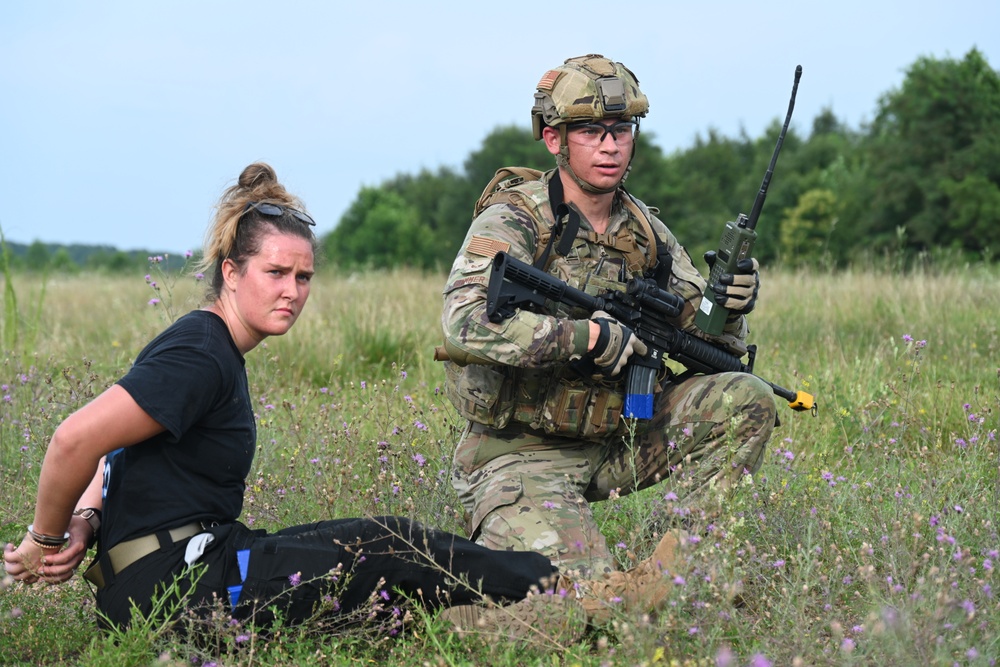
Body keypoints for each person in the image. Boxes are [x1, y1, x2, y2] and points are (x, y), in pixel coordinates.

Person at [2, 162, 678, 641]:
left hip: (193, 566)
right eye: (275, 273)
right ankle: (583, 595)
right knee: (383, 547)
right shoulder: (200, 351)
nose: (293, 290)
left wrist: (89, 519)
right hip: (177, 587)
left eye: (303, 276)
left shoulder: (203, 345)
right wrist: (44, 538)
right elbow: (73, 439)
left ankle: (531, 608)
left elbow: (115, 444)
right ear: (231, 272)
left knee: (383, 560)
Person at [441, 54, 778, 578]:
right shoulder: (516, 217)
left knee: (745, 397)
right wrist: (582, 337)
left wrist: (730, 307)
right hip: (519, 452)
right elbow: (463, 318)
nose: (610, 144)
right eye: (591, 131)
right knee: (586, 602)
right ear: (554, 140)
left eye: (622, 129)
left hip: (615, 437)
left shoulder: (645, 231)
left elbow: (715, 345)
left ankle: (683, 570)